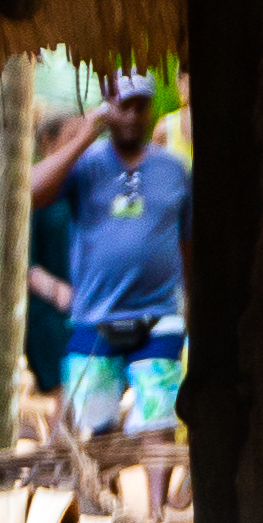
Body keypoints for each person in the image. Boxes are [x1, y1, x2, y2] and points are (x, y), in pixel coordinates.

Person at [32, 73, 192, 437]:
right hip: (94, 314)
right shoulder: (84, 166)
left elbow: (188, 245)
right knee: (94, 427)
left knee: (158, 417)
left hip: (159, 314)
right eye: (124, 106)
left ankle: (158, 499)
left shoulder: (175, 169)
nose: (134, 115)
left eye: (142, 106)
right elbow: (29, 192)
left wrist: (192, 310)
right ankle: (98, 493)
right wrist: (85, 135)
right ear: (108, 108)